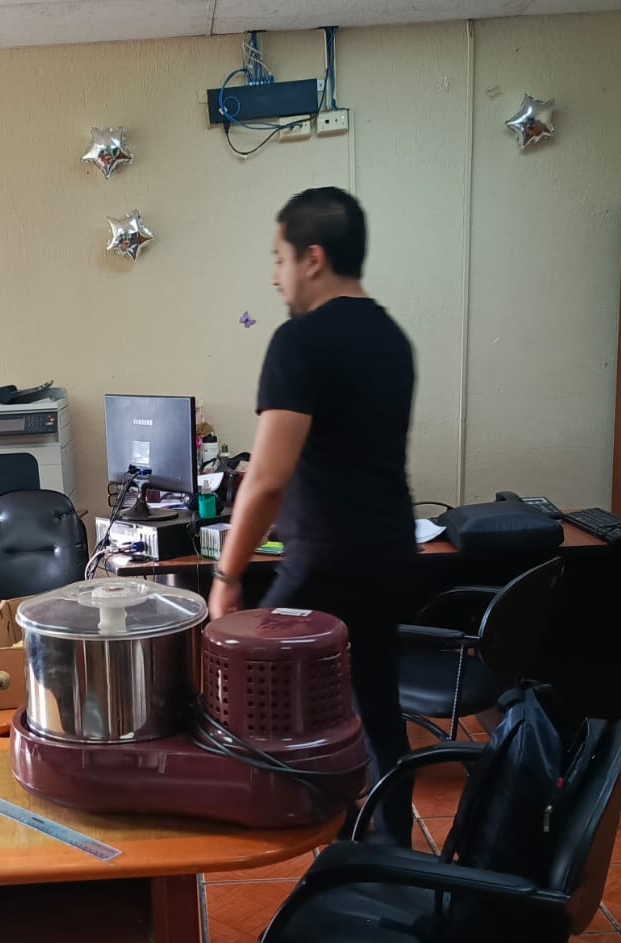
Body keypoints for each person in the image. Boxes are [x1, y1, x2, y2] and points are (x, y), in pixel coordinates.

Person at [208, 186, 418, 845]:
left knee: (250, 697)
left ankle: (288, 833)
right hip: (390, 552)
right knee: (376, 707)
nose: (276, 277)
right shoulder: (392, 338)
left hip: (327, 562)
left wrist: (227, 575)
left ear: (313, 258)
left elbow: (267, 479)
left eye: (280, 259)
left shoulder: (299, 341)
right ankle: (389, 852)